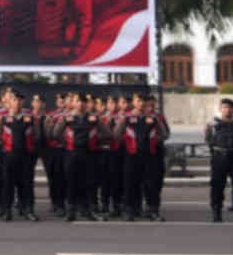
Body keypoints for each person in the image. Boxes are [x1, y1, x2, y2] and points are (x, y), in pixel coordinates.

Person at [53, 93, 111, 222]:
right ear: (73, 103)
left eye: (83, 101)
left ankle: (90, 210)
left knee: (90, 183)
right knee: (71, 183)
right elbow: (55, 133)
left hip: (89, 154)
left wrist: (95, 141)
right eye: (78, 101)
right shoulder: (67, 118)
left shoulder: (93, 118)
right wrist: (68, 142)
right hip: (71, 154)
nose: (81, 103)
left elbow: (107, 133)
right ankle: (71, 211)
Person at [114, 93, 169, 221]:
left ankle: (153, 210)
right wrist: (127, 141)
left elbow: (164, 134)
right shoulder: (127, 118)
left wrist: (154, 140)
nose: (141, 103)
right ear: (133, 102)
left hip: (149, 156)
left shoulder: (153, 118)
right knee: (130, 184)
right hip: (131, 156)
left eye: (143, 101)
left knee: (151, 184)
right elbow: (116, 134)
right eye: (138, 101)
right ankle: (130, 210)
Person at [0, 90, 39, 221]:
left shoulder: (30, 118)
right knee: (7, 183)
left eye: (20, 100)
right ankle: (7, 210)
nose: (18, 103)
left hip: (26, 155)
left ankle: (28, 209)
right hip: (9, 155)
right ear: (9, 102)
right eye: (15, 100)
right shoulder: (3, 118)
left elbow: (36, 136)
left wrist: (33, 152)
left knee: (27, 184)